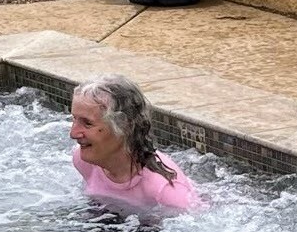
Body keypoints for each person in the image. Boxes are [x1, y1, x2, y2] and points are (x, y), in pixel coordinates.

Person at [70, 75, 202, 213]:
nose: (73, 133)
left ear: (124, 125)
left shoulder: (167, 193)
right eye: (74, 119)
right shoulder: (84, 162)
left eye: (88, 123)